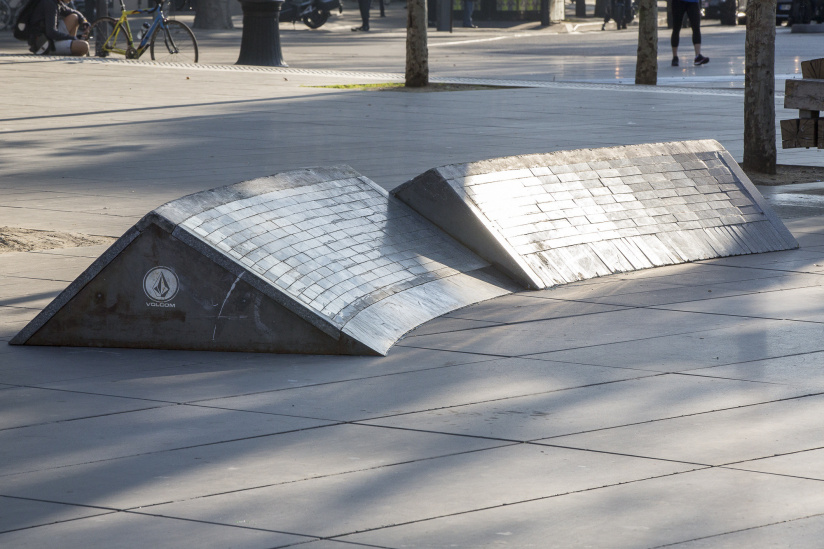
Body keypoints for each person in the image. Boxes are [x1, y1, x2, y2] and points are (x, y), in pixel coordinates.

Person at [670, 0, 709, 66]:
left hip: (693, 2)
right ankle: (675, 57)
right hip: (678, 2)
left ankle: (698, 56)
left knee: (696, 27)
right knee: (676, 27)